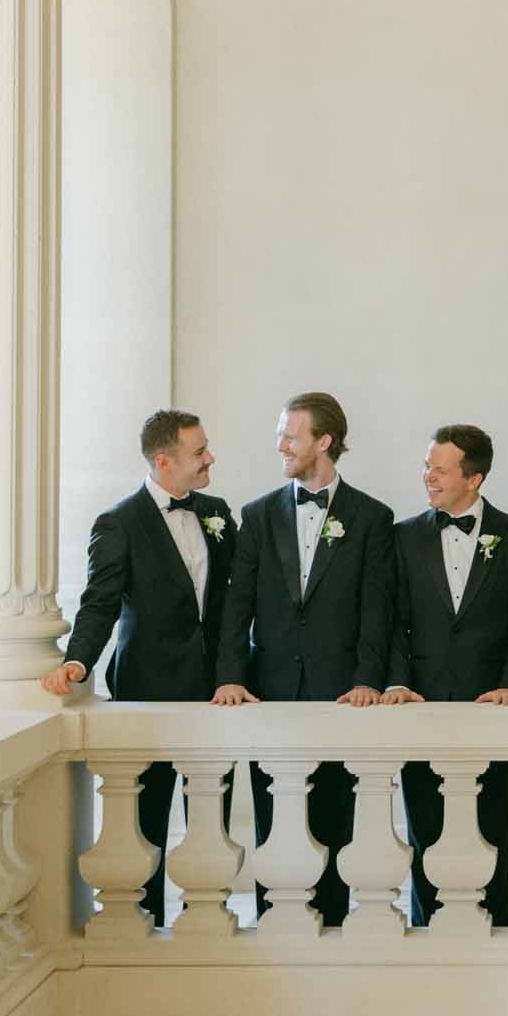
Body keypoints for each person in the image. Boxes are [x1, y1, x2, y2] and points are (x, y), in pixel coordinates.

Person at [41, 409, 235, 928]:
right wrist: (77, 660)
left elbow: (234, 603)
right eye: (199, 452)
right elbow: (99, 603)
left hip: (214, 695)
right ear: (163, 460)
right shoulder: (119, 522)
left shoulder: (217, 512)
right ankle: (141, 928)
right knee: (145, 823)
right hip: (146, 693)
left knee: (211, 817)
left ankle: (209, 920)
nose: (209, 458)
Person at [212, 391, 394, 926]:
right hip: (268, 693)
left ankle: (333, 928)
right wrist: (228, 677)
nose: (280, 445)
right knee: (275, 822)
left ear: (324, 442)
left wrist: (367, 680)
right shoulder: (259, 514)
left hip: (341, 695)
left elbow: (376, 611)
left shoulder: (372, 517)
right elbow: (236, 606)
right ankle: (274, 925)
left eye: (291, 436)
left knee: (335, 821)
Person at [382, 425, 508, 928]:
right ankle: (430, 934)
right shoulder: (402, 536)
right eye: (427, 466)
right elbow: (391, 620)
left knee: (494, 827)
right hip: (421, 706)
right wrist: (397, 682)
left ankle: (500, 933)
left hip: (493, 708)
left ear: (473, 478)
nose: (426, 476)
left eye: (439, 469)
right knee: (427, 828)